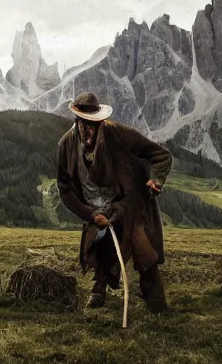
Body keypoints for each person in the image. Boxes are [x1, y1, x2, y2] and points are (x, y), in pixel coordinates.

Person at [56, 91, 173, 314]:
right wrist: (90, 215)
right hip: (94, 206)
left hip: (126, 203)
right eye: (86, 124)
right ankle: (98, 291)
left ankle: (155, 299)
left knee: (143, 248)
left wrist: (156, 180)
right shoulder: (65, 146)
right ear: (77, 121)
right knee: (99, 243)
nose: (91, 130)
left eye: (95, 124)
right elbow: (65, 188)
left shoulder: (117, 133)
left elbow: (161, 155)